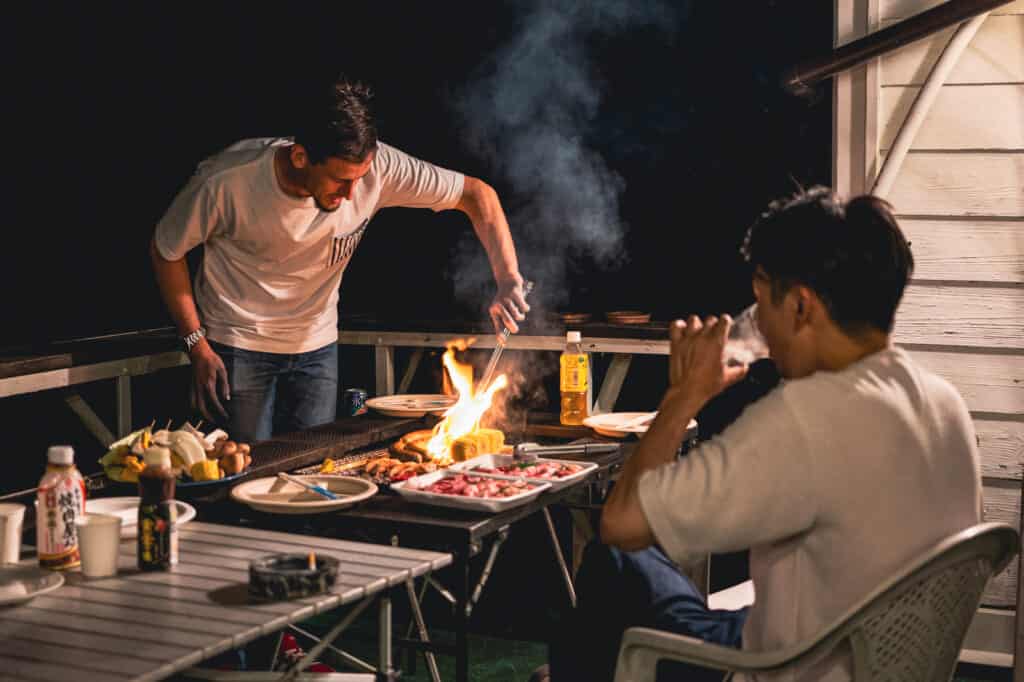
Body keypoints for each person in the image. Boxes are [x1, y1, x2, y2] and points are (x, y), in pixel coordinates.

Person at [541, 187, 982, 682]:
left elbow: (623, 524)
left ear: (800, 306)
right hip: (876, 655)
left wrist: (682, 397)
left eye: (759, 300)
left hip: (784, 667)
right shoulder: (945, 403)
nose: (758, 325)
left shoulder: (807, 418)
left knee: (614, 559)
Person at [151, 75, 529, 443]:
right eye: (339, 180)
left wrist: (508, 277)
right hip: (237, 345)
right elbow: (166, 250)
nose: (352, 194)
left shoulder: (379, 169)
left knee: (310, 470)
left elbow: (478, 196)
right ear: (300, 157)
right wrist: (196, 344)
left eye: (360, 178)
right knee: (246, 474)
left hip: (317, 348)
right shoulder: (227, 180)